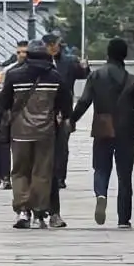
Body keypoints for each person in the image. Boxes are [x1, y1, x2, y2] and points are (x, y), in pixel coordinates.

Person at [71, 38, 134, 229]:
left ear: (107, 54)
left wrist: (71, 120)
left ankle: (101, 194)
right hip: (126, 130)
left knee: (100, 167)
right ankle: (124, 219)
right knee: (125, 175)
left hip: (102, 126)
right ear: (125, 55)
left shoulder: (96, 76)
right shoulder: (132, 80)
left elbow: (84, 101)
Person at [0, 40, 72, 229]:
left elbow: (2, 103)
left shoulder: (14, 75)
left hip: (20, 131)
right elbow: (66, 104)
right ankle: (39, 211)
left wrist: (0, 122)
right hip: (45, 132)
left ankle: (22, 210)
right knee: (42, 173)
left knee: (20, 171)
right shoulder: (54, 76)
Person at [41, 33, 89, 199]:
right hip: (44, 108)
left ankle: (60, 176)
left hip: (64, 108)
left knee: (62, 144)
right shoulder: (40, 62)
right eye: (49, 45)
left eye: (55, 44)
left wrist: (84, 66)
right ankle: (47, 173)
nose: (53, 47)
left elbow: (83, 75)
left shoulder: (68, 61)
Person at [0, 40, 28, 189]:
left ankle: (19, 175)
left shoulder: (35, 71)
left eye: (24, 52)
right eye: (18, 52)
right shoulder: (7, 71)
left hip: (26, 114)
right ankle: (2, 176)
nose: (21, 55)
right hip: (6, 112)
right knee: (1, 144)